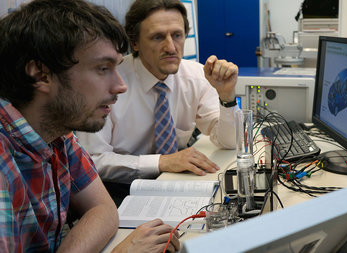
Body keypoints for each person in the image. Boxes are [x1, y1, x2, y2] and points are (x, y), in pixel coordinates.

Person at [0, 0, 179, 252]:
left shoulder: (58, 133)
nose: (120, 85)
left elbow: (103, 209)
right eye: (102, 68)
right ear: (40, 74)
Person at [77, 0, 239, 198]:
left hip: (177, 180)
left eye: (177, 35)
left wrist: (227, 96)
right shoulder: (109, 82)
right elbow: (93, 160)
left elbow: (229, 142)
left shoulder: (196, 76)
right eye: (157, 37)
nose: (171, 47)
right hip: (121, 188)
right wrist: (161, 162)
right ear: (135, 43)